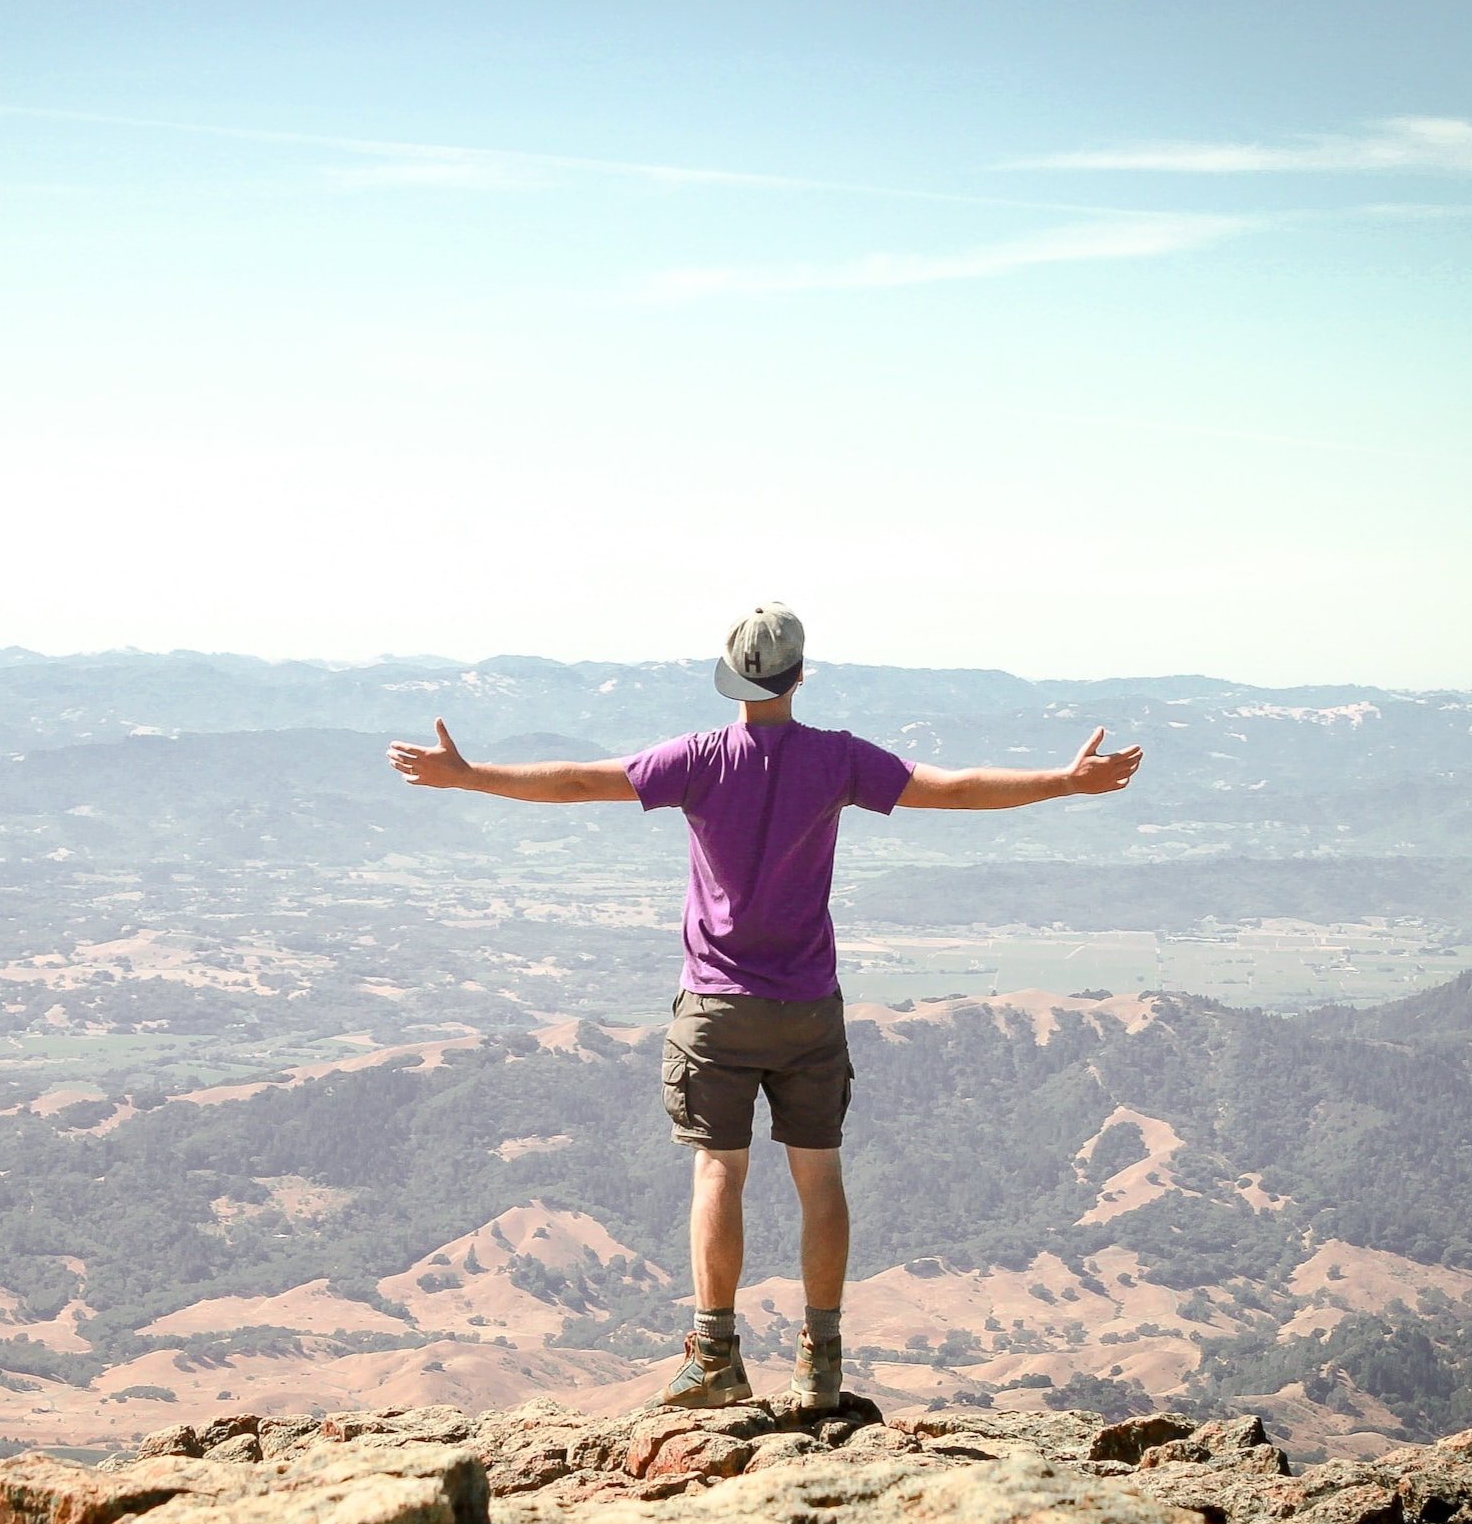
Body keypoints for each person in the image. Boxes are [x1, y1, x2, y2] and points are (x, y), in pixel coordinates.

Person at [386, 603, 1142, 1411]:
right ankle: (821, 1364)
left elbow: (578, 780)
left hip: (716, 1006)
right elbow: (951, 789)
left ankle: (715, 1358)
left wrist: (468, 774)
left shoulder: (699, 758)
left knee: (719, 1169)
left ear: (729, 679)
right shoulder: (836, 758)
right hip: (807, 1006)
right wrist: (1064, 781)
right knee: (819, 1174)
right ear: (800, 675)